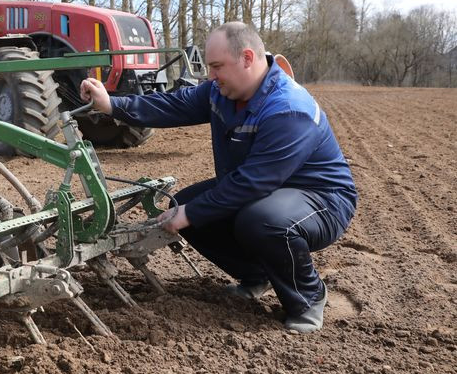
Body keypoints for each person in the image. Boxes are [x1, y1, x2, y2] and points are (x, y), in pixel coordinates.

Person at [80, 22, 357, 333]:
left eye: (216, 66)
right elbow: (174, 104)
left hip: (321, 198)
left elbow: (253, 183)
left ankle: (308, 297)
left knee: (259, 220)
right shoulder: (222, 92)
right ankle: (257, 275)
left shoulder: (288, 110)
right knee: (186, 203)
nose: (211, 75)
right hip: (267, 189)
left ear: (247, 58)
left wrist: (191, 214)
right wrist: (112, 104)